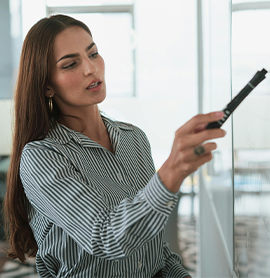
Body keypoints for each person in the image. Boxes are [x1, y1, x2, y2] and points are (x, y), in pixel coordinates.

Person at [4, 14, 226, 278]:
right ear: (47, 86)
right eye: (71, 64)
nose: (91, 68)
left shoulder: (134, 138)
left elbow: (153, 244)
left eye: (93, 53)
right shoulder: (41, 157)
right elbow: (105, 237)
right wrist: (171, 173)